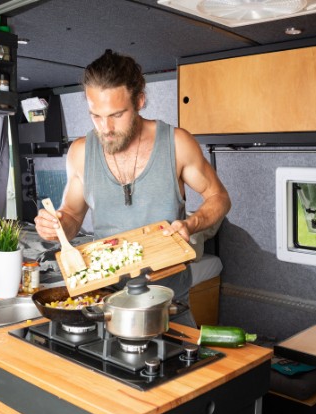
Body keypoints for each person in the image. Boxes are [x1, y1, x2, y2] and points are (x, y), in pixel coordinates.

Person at [34, 49, 231, 327]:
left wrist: (193, 223)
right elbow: (73, 218)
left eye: (116, 114)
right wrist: (56, 226)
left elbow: (219, 197)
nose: (106, 128)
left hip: (168, 306)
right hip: (106, 307)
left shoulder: (177, 144)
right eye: (96, 116)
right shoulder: (79, 152)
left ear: (139, 101)